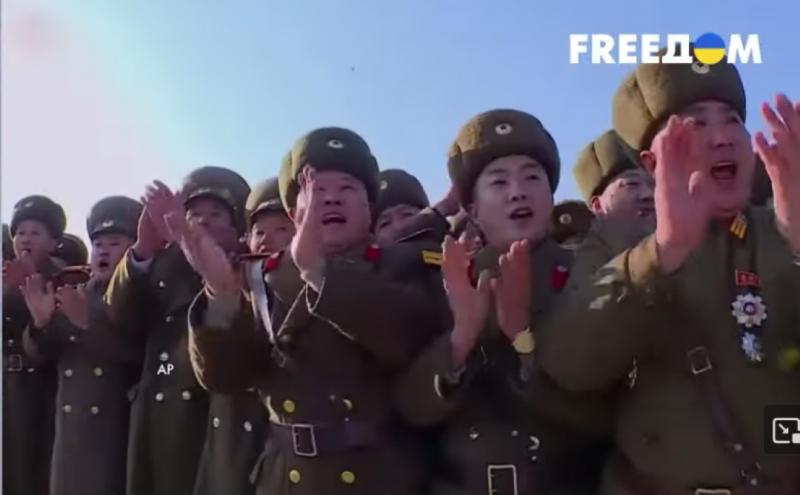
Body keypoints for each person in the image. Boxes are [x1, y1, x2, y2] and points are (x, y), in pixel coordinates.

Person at [539, 50, 800, 493]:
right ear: (652, 162)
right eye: (696, 124)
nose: (722, 138)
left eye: (732, 121)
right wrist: (661, 254)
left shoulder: (777, 229)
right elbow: (568, 364)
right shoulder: (618, 242)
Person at [181, 127, 447, 495]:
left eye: (347, 189)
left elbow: (414, 341)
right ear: (295, 212)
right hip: (288, 479)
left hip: (380, 478)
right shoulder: (264, 279)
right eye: (316, 190)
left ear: (369, 208)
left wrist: (320, 274)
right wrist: (222, 296)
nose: (331, 199)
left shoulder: (407, 265)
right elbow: (227, 379)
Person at [396, 109, 612, 495]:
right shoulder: (447, 280)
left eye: (532, 177)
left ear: (550, 196)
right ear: (473, 209)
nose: (518, 192)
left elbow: (604, 412)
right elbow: (411, 409)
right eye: (498, 181)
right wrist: (461, 338)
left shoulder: (589, 274)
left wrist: (523, 339)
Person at [103, 166, 250, 495]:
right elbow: (118, 314)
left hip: (217, 412)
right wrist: (143, 249)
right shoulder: (162, 266)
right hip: (160, 409)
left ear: (237, 226)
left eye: (215, 214)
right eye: (193, 214)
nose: (203, 222)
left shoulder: (248, 267)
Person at [23, 195, 144, 495]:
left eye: (114, 243)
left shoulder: (141, 297)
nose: (103, 250)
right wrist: (40, 325)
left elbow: (146, 358)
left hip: (116, 430)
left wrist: (86, 327)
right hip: (68, 434)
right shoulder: (73, 293)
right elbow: (40, 357)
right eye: (98, 244)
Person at [193, 178, 290, 495]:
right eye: (260, 232)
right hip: (219, 422)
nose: (268, 240)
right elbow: (165, 364)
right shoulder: (227, 278)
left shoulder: (313, 280)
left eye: (282, 229)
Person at [3, 194, 66, 495]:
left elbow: (53, 342)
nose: (25, 239)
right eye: (20, 232)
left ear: (54, 243)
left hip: (40, 390)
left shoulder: (63, 280)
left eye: (35, 232)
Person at [568, 129, 656, 280]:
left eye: (653, 184)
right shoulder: (581, 268)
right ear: (597, 205)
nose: (649, 195)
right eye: (632, 184)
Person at [373, 169, 432, 246]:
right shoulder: (367, 252)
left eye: (407, 215)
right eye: (385, 223)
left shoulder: (447, 249)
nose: (399, 227)